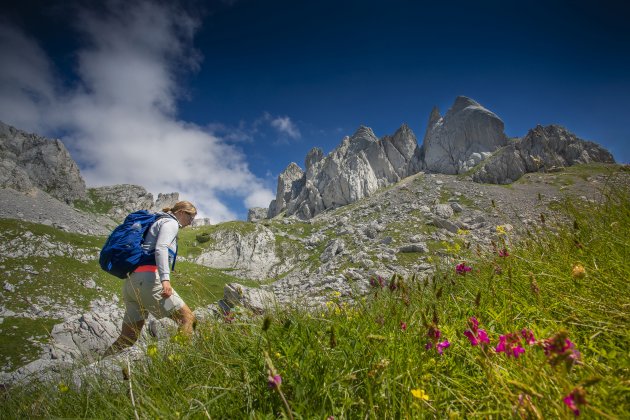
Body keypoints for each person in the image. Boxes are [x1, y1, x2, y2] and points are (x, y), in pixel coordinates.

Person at [104, 201, 197, 356]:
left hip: (132, 284)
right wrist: (165, 280)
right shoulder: (170, 222)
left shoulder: (156, 221)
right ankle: (176, 363)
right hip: (150, 281)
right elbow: (161, 248)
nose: (190, 223)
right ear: (181, 212)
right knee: (188, 318)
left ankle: (98, 370)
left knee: (128, 337)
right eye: (190, 218)